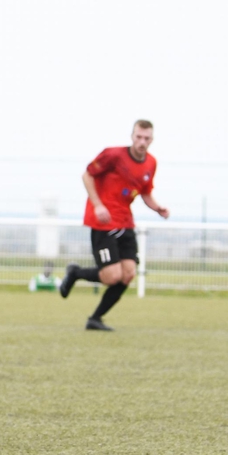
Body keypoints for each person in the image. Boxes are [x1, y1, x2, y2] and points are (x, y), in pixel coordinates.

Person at [58, 120, 169, 330]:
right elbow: (87, 175)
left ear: (151, 140)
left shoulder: (151, 163)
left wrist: (157, 208)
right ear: (132, 136)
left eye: (146, 138)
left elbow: (145, 192)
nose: (142, 142)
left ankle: (95, 319)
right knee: (112, 276)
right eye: (138, 137)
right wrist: (98, 205)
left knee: (127, 275)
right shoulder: (113, 155)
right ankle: (75, 273)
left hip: (126, 222)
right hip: (103, 222)